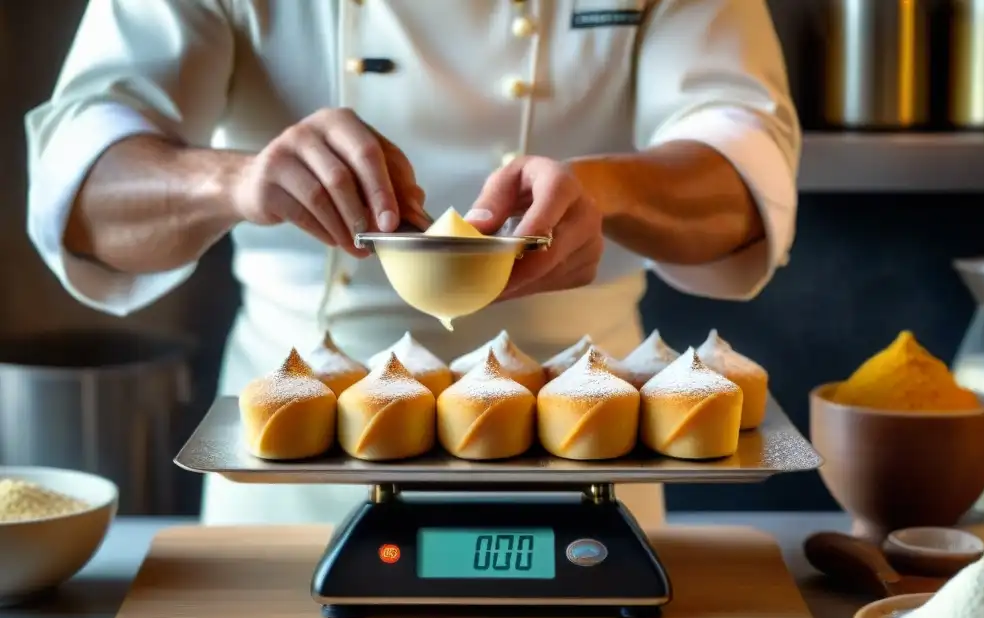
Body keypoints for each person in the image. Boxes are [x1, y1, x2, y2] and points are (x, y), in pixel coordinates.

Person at [25, 0, 799, 530]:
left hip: (586, 425)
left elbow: (744, 167)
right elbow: (84, 189)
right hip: (298, 444)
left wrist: (610, 190)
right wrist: (236, 179)